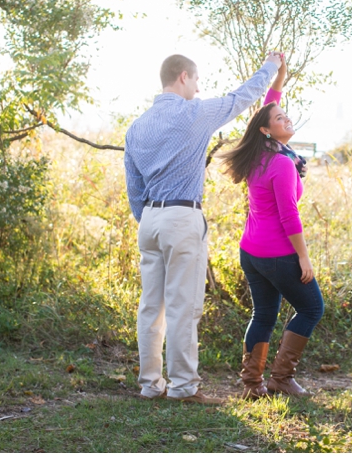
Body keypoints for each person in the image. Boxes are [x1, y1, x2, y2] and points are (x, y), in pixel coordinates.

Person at [123, 52, 282, 404]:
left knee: (151, 307)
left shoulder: (137, 127)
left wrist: (150, 219)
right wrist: (271, 66)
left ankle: (151, 385)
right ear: (183, 77)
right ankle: (183, 388)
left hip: (149, 220)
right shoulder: (194, 113)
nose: (198, 87)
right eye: (195, 80)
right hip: (181, 216)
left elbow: (134, 187)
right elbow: (242, 97)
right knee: (183, 306)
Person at [220, 56, 324, 399]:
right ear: (267, 129)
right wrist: (304, 258)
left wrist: (279, 76)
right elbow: (289, 217)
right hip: (278, 252)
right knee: (311, 308)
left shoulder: (260, 152)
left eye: (285, 114)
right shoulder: (280, 163)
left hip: (251, 251)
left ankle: (252, 385)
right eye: (280, 118)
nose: (286, 117)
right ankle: (280, 378)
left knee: (263, 313)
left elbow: (268, 106)